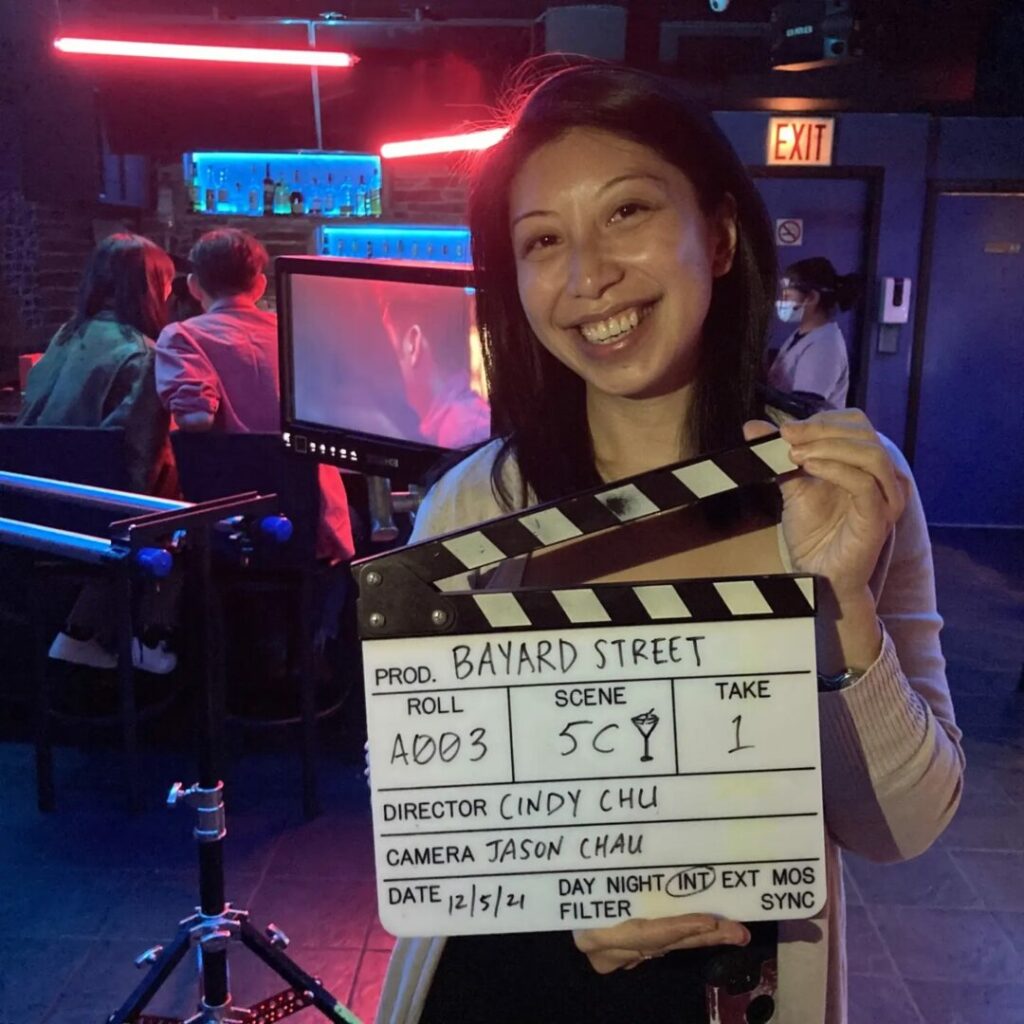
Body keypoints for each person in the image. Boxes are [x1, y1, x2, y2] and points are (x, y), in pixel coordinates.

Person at [374, 60, 963, 1024]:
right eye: (542, 240)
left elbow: (900, 827)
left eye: (628, 212)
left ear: (719, 235)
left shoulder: (844, 483)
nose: (587, 275)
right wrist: (558, 886)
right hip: (505, 984)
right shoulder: (472, 507)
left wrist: (846, 605)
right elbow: (420, 794)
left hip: (736, 991)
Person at [18, 232, 179, 672]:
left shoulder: (66, 336)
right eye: (166, 283)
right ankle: (139, 639)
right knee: (187, 516)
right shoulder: (144, 353)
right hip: (91, 512)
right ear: (150, 288)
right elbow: (136, 457)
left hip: (28, 500)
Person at [154, 228, 354, 564]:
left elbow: (196, 418)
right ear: (260, 285)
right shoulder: (298, 331)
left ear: (194, 286)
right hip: (317, 523)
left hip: (227, 527)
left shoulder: (182, 337)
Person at [380, 290, 491, 449]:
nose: (379, 361)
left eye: (386, 345)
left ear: (413, 344)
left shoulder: (465, 434)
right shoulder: (455, 425)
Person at [767, 258, 860, 409]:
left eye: (788, 296)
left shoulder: (825, 347)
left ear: (811, 298)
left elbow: (802, 407)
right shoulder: (802, 335)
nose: (782, 302)